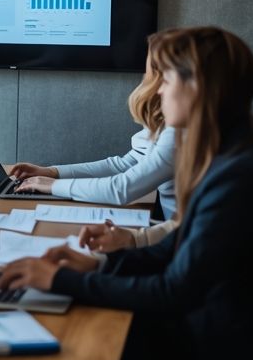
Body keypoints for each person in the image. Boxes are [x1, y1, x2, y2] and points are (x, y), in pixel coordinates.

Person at [0, 26, 253, 360]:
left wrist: (60, 280)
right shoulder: (230, 157)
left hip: (230, 348)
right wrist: (102, 265)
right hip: (224, 322)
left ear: (196, 87)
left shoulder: (238, 178)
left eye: (166, 79)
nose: (159, 89)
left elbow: (172, 292)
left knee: (78, 335)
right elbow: (174, 250)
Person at [11, 31, 178, 220]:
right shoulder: (169, 121)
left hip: (179, 242)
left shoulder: (179, 132)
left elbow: (121, 189)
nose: (151, 84)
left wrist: (51, 185)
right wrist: (52, 173)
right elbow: (128, 163)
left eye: (153, 74)